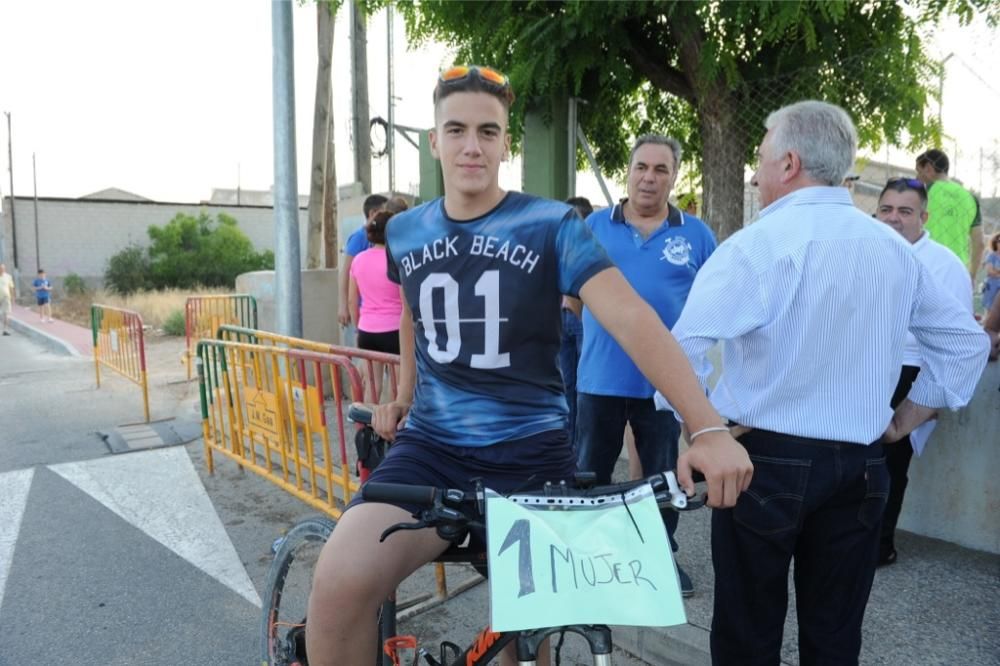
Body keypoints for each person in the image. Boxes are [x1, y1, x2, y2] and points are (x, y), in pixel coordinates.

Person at [304, 64, 753, 666]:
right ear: (434, 140)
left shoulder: (552, 224)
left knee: (526, 641)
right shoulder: (406, 230)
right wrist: (404, 393)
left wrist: (707, 427)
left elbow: (630, 318)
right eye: (456, 129)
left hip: (533, 452)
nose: (472, 145)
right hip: (434, 448)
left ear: (505, 144)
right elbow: (415, 310)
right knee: (337, 583)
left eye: (488, 132)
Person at [656, 100, 989, 665]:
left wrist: (706, 428)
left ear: (788, 163)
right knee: (835, 637)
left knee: (746, 633)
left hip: (762, 461)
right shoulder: (896, 250)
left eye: (760, 161)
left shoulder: (758, 245)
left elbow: (675, 350)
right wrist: (904, 420)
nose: (756, 174)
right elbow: (966, 343)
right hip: (860, 466)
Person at [571, 134, 716, 597]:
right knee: (588, 472)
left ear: (674, 177)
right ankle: (582, 558)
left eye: (660, 169)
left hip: (664, 385)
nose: (649, 178)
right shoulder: (594, 226)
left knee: (663, 479)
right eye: (641, 167)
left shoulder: (697, 235)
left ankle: (655, 558)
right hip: (599, 380)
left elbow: (711, 302)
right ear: (628, 172)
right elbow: (571, 299)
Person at [873, 177, 973, 566]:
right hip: (866, 365)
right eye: (886, 209)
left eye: (905, 211)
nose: (893, 219)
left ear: (923, 217)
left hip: (911, 371)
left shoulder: (945, 265)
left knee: (890, 463)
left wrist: (927, 398)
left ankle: (880, 545)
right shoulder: (866, 252)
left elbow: (958, 339)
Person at [349, 208, 404, 402]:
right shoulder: (398, 259)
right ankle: (393, 429)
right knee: (397, 385)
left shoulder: (358, 260)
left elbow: (352, 300)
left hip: (366, 330)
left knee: (373, 385)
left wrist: (358, 328)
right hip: (395, 330)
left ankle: (367, 428)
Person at [915, 148, 984, 281]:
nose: (917, 177)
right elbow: (979, 243)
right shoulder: (970, 198)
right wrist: (972, 276)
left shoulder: (922, 192)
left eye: (918, 171)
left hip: (926, 266)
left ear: (928, 168)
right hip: (958, 270)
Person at [558, 195, 593, 448]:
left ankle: (582, 450)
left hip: (584, 322)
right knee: (566, 385)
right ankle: (569, 449)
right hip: (561, 320)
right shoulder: (559, 244)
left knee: (584, 389)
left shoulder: (594, 249)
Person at [339, 193, 388, 332]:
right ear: (373, 213)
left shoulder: (387, 236)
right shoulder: (359, 238)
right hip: (362, 309)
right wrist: (343, 306)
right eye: (385, 211)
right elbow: (346, 272)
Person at [982, 232, 1000, 313]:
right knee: (990, 307)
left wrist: (997, 271)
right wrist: (995, 272)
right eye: (999, 241)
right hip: (992, 286)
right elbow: (990, 271)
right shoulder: (991, 256)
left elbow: (995, 271)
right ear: (995, 242)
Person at [0, 263, 14, 336]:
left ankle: (5, 330)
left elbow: (11, 287)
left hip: (6, 297)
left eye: (3, 268)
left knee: (6, 313)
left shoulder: (8, 277)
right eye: (0, 269)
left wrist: (12, 297)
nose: (1, 270)